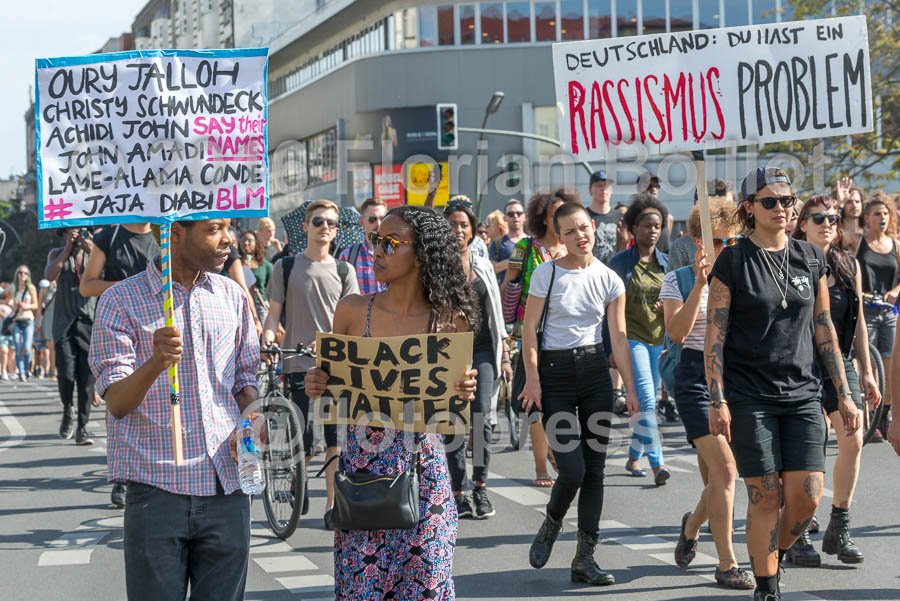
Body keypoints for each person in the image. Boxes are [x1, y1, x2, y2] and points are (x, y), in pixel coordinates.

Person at [305, 205, 478, 600]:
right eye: (374, 241)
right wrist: (319, 383)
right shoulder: (351, 310)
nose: (377, 251)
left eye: (390, 243)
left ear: (421, 253)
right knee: (362, 589)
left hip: (425, 472)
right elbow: (333, 389)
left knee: (429, 584)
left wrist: (463, 390)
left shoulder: (451, 321)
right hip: (362, 476)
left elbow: (451, 408)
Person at [706, 167, 858, 601]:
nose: (781, 208)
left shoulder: (811, 258)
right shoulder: (733, 261)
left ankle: (772, 556)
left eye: (787, 201)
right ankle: (767, 587)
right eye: (769, 201)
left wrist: (843, 394)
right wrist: (717, 399)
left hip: (804, 395)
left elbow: (824, 327)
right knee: (766, 498)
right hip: (750, 397)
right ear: (749, 207)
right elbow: (714, 338)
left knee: (807, 499)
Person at [89, 218, 258, 601]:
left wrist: (255, 417)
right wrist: (154, 363)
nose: (227, 239)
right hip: (157, 490)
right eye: (215, 229)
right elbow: (115, 402)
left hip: (227, 486)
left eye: (228, 228)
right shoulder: (120, 300)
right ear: (175, 233)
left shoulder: (232, 296)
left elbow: (245, 381)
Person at [521, 202, 636, 586]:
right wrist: (532, 378)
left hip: (594, 375)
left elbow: (617, 337)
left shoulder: (609, 278)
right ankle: (552, 523)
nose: (579, 235)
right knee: (572, 469)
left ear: (592, 228)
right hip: (554, 375)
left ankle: (585, 558)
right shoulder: (546, 274)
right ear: (560, 237)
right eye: (569, 231)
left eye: (584, 227)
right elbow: (529, 330)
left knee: (596, 472)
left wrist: (632, 389)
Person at [661, 198, 754, 590]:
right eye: (719, 241)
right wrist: (700, 284)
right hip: (695, 378)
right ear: (699, 242)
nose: (727, 248)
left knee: (723, 474)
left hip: (736, 379)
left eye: (734, 241)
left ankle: (692, 525)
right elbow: (677, 334)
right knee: (727, 470)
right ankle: (727, 563)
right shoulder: (678, 279)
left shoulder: (746, 276)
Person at [793, 195, 881, 565]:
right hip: (798, 363)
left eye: (832, 217)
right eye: (818, 217)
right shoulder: (789, 262)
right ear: (802, 225)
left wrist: (867, 370)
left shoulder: (848, 264)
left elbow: (858, 320)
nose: (827, 223)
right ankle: (796, 530)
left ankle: (839, 524)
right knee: (809, 448)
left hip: (840, 359)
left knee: (854, 438)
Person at [262, 199, 359, 527]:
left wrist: (331, 340)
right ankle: (297, 478)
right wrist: (267, 335)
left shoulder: (346, 271)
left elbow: (354, 322)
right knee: (300, 433)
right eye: (318, 221)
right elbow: (274, 313)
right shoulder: (285, 267)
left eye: (331, 223)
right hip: (295, 363)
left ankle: (332, 504)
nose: (325, 228)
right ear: (305, 227)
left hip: (334, 364)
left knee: (334, 436)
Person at [78, 221, 161, 507]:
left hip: (159, 323)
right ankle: (122, 478)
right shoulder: (109, 236)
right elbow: (87, 285)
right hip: (119, 323)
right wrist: (128, 286)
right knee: (119, 395)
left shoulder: (167, 230)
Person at [501, 189, 576, 488]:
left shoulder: (575, 248)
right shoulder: (524, 248)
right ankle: (541, 467)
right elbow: (510, 285)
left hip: (568, 337)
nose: (560, 219)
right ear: (542, 217)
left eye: (565, 213)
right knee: (536, 402)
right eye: (554, 213)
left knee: (565, 403)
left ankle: (559, 451)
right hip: (532, 334)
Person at [443, 203, 512, 519]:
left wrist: (506, 355)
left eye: (464, 225)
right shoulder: (433, 267)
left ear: (472, 231)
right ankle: (458, 492)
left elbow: (496, 314)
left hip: (484, 350)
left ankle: (481, 489)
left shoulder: (483, 265)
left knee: (481, 417)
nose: (458, 230)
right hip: (448, 353)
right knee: (454, 422)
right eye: (453, 224)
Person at [609, 193, 672, 485]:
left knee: (646, 402)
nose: (653, 230)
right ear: (634, 229)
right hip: (630, 338)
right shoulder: (620, 262)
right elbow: (607, 306)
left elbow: (677, 302)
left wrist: (666, 306)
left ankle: (634, 455)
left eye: (657, 225)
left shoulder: (666, 264)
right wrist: (609, 346)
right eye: (647, 225)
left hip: (659, 339)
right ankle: (658, 464)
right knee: (647, 400)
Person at [45, 229, 97, 445]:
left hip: (88, 321)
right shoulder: (56, 252)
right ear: (64, 234)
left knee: (86, 379)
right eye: (71, 232)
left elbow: (104, 271)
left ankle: (82, 427)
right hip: (64, 321)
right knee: (66, 374)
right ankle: (67, 408)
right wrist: (67, 249)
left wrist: (88, 247)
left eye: (83, 231)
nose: (77, 235)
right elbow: (49, 275)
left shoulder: (95, 253)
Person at [856, 197, 898, 441]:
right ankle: (869, 413)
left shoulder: (895, 245)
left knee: (889, 363)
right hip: (866, 309)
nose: (882, 217)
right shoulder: (858, 241)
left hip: (888, 311)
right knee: (869, 365)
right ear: (867, 218)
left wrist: (896, 291)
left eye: (885, 213)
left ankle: (885, 414)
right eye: (877, 214)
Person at [667, 180, 735, 272]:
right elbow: (676, 284)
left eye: (730, 205)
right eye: (721, 207)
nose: (728, 211)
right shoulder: (681, 247)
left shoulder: (743, 242)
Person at [338, 197, 388, 295]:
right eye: (372, 219)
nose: (379, 224)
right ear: (362, 223)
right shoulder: (348, 256)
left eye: (383, 219)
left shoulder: (397, 253)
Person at [586, 171, 622, 263]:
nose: (603, 189)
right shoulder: (583, 216)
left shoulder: (621, 218)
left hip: (615, 270)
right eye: (598, 185)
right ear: (590, 189)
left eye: (607, 186)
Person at [238, 230, 273, 323]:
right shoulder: (235, 265)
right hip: (240, 305)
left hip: (260, 306)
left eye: (249, 240)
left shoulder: (265, 266)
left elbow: (273, 289)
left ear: (256, 243)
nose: (246, 243)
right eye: (243, 241)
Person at [10, 265, 38, 381]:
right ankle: (21, 372)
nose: (22, 275)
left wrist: (27, 306)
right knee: (18, 347)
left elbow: (36, 305)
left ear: (28, 276)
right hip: (17, 320)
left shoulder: (31, 288)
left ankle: (27, 369)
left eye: (25, 273)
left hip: (28, 320)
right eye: (20, 272)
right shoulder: (13, 288)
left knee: (26, 348)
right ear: (17, 274)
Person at [489, 199, 527, 284]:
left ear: (525, 217)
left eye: (519, 213)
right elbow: (492, 269)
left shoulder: (534, 241)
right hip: (506, 293)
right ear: (505, 218)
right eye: (511, 214)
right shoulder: (497, 243)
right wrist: (515, 261)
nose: (515, 216)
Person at [833, 177, 865, 253]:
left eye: (857, 202)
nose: (854, 205)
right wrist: (840, 203)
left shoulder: (868, 233)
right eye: (849, 202)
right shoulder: (835, 233)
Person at [0, 283, 15, 380]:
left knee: (11, 353)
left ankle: (12, 371)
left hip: (12, 330)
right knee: (4, 351)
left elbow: (17, 311)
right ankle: (4, 370)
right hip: (2, 331)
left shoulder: (14, 302)